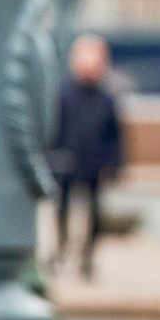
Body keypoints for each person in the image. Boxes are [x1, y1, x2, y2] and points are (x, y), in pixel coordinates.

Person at [49, 34, 126, 280]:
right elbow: (55, 129)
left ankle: (87, 258)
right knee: (62, 209)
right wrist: (54, 156)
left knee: (94, 214)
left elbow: (115, 135)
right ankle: (62, 248)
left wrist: (114, 165)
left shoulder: (106, 98)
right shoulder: (64, 95)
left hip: (94, 164)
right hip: (67, 162)